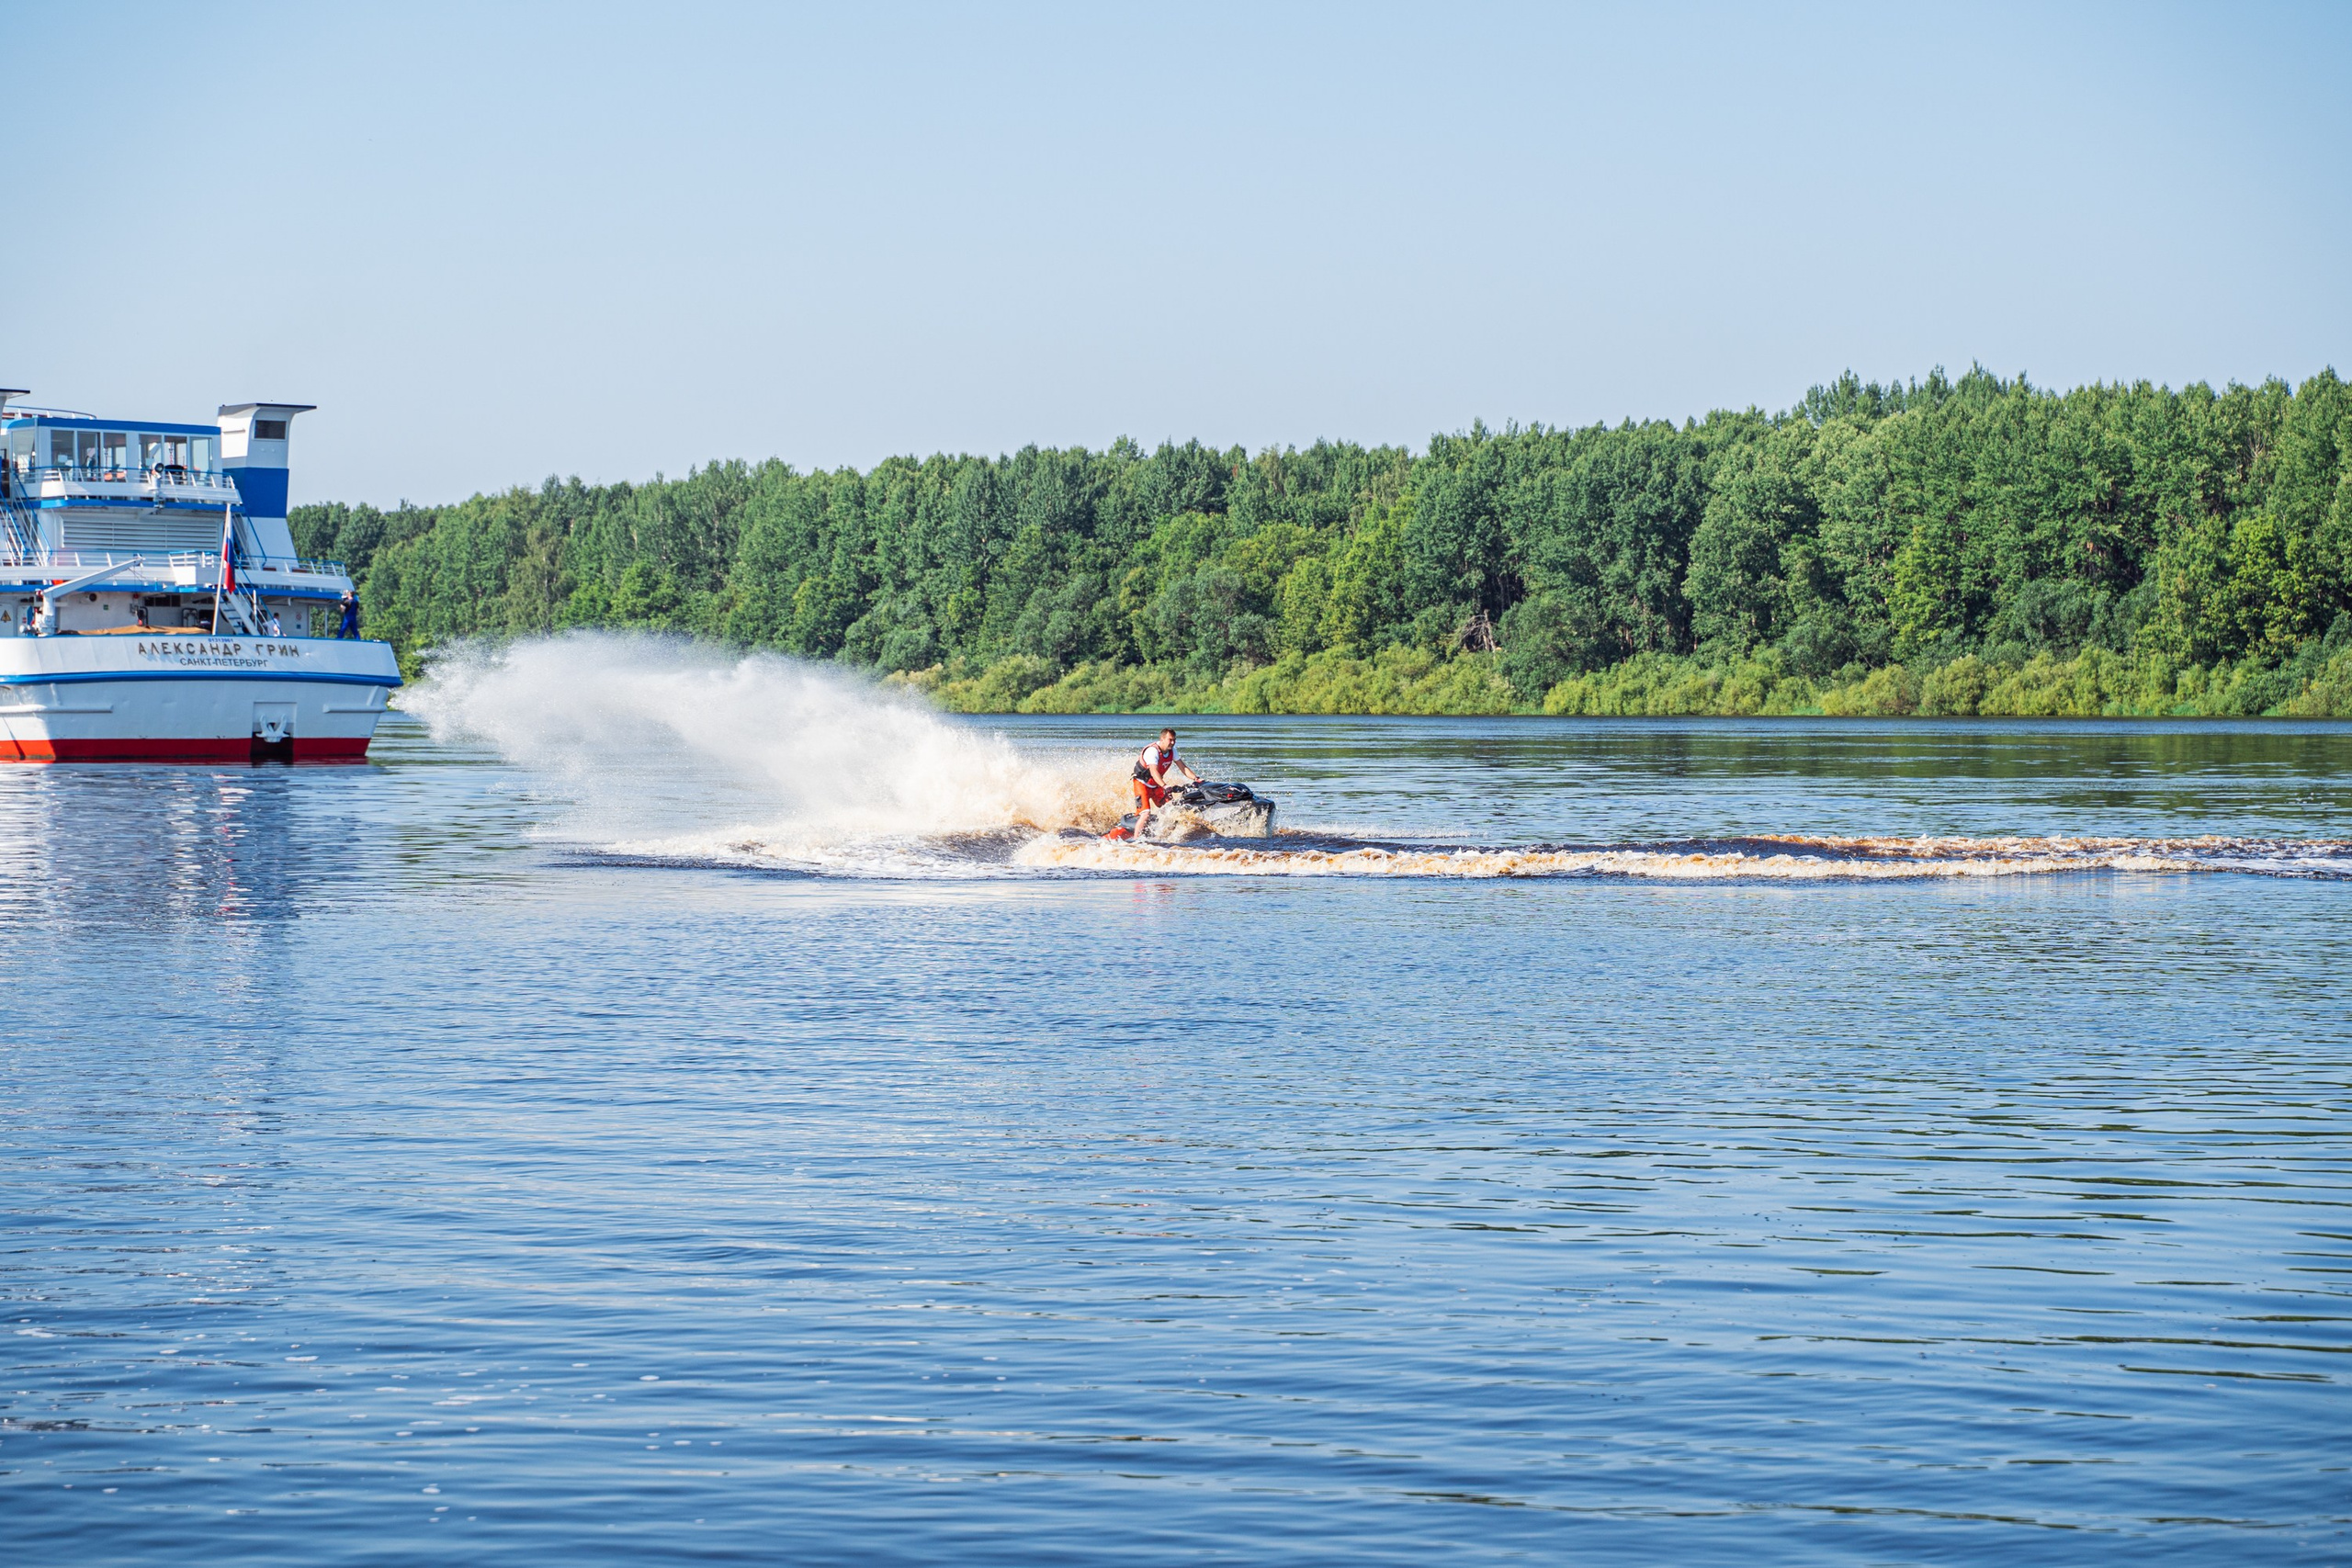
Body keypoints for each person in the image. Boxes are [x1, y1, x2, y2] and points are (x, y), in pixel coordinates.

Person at [1131, 727, 1201, 822]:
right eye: (1170, 740)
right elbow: (1153, 772)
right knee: (1145, 814)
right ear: (1162, 739)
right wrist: (1165, 786)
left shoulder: (1172, 751)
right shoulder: (1152, 751)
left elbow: (1183, 767)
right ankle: (1136, 837)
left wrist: (1196, 778)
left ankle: (1165, 833)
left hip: (1156, 785)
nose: (1173, 743)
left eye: (1174, 740)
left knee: (1172, 809)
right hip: (1142, 784)